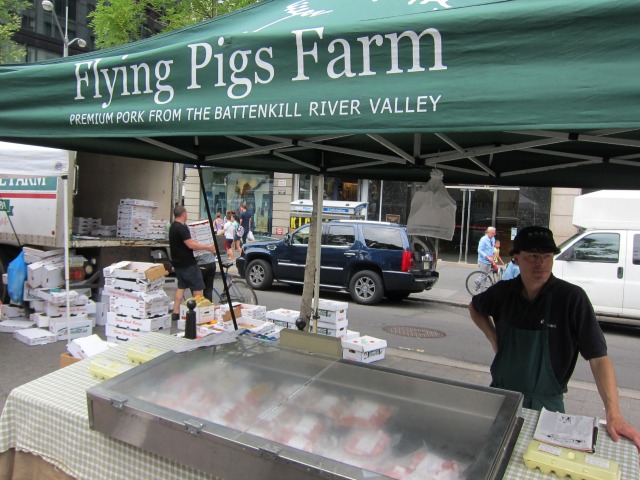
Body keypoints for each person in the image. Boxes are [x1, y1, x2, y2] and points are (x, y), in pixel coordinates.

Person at [468, 226, 640, 450]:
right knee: (491, 455)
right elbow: (475, 307)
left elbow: (598, 359)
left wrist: (614, 413)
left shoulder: (571, 299)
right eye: (532, 257)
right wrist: (493, 338)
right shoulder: (503, 292)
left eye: (547, 256)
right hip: (502, 398)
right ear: (516, 259)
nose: (540, 263)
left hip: (547, 408)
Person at [169, 205, 216, 321]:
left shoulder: (172, 227)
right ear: (184, 214)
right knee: (197, 288)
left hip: (178, 264)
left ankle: (176, 312)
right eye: (187, 214)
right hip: (188, 264)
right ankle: (200, 314)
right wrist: (207, 247)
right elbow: (190, 244)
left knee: (181, 286)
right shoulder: (182, 228)